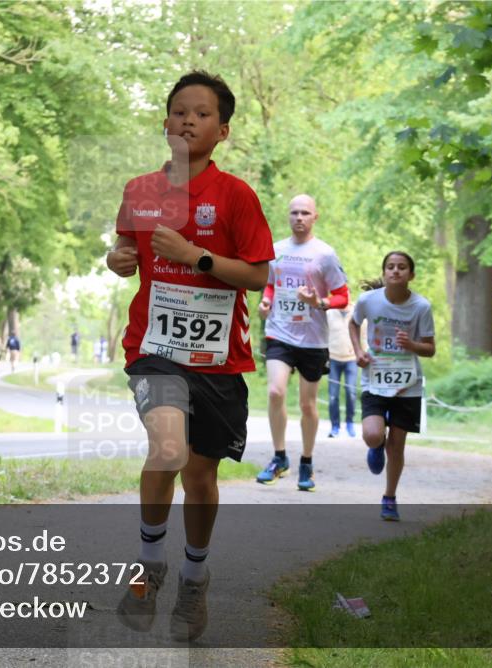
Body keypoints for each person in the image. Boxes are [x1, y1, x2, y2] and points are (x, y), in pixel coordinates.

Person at [106, 71, 273, 641]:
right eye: (179, 111)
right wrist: (117, 259)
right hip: (154, 348)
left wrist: (195, 256)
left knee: (200, 478)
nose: (188, 121)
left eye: (202, 114)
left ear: (222, 130)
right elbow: (124, 247)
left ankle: (194, 577)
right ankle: (150, 565)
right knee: (167, 447)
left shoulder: (236, 196)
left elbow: (257, 275)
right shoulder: (140, 190)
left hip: (218, 359)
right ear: (165, 122)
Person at [255, 194, 349, 491]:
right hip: (279, 332)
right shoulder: (276, 250)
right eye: (294, 212)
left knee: (308, 405)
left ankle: (306, 462)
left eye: (305, 213)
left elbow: (342, 296)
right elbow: (271, 284)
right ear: (288, 216)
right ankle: (279, 457)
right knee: (275, 391)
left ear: (315, 217)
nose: (299, 217)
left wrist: (318, 302)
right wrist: (266, 302)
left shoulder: (325, 254)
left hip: (313, 339)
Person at [350, 251, 435, 521]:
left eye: (401, 267)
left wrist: (411, 345)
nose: (395, 271)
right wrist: (358, 351)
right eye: (390, 266)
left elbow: (430, 348)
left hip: (407, 383)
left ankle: (389, 497)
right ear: (384, 272)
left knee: (397, 446)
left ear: (411, 275)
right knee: (372, 435)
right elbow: (353, 324)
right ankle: (376, 445)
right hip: (375, 377)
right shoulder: (368, 301)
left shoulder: (421, 306)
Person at [326, 300, 363, 438]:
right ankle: (335, 426)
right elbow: (323, 334)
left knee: (351, 392)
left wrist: (362, 353)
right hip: (333, 359)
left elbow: (364, 335)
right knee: (333, 396)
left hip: (351, 359)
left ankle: (350, 423)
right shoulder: (329, 312)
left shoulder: (357, 311)